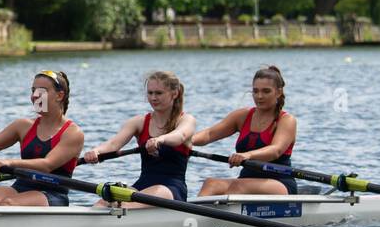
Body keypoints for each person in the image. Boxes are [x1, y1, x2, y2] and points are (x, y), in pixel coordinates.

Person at [0, 69, 83, 207]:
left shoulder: (73, 133)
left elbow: (47, 165)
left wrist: (9, 162)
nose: (35, 96)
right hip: (21, 186)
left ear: (59, 95)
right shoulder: (23, 126)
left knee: (9, 203)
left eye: (41, 91)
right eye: (33, 90)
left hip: (52, 193)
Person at [83, 70, 195, 205]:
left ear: (174, 93)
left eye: (159, 93)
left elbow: (180, 136)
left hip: (170, 190)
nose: (153, 98)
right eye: (150, 93)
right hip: (142, 185)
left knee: (125, 205)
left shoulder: (186, 120)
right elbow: (113, 144)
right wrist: (96, 151)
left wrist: (160, 139)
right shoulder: (139, 122)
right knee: (102, 203)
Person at [191, 65, 297, 196]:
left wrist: (247, 155)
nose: (259, 96)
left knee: (238, 186)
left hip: (279, 182)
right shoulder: (242, 116)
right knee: (210, 184)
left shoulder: (286, 120)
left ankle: (221, 215)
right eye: (255, 91)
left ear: (279, 92)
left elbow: (276, 150)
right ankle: (195, 216)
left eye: (266, 91)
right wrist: (186, 141)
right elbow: (209, 134)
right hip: (246, 180)